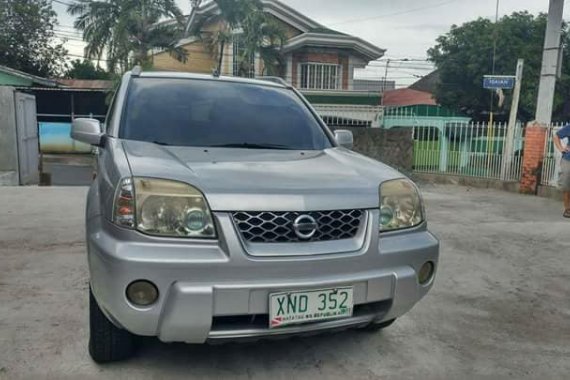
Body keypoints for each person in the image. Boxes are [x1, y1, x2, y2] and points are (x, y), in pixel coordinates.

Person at [553, 123, 570, 218]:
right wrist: (561, 148)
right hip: (568, 160)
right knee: (566, 184)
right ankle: (568, 209)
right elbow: (556, 136)